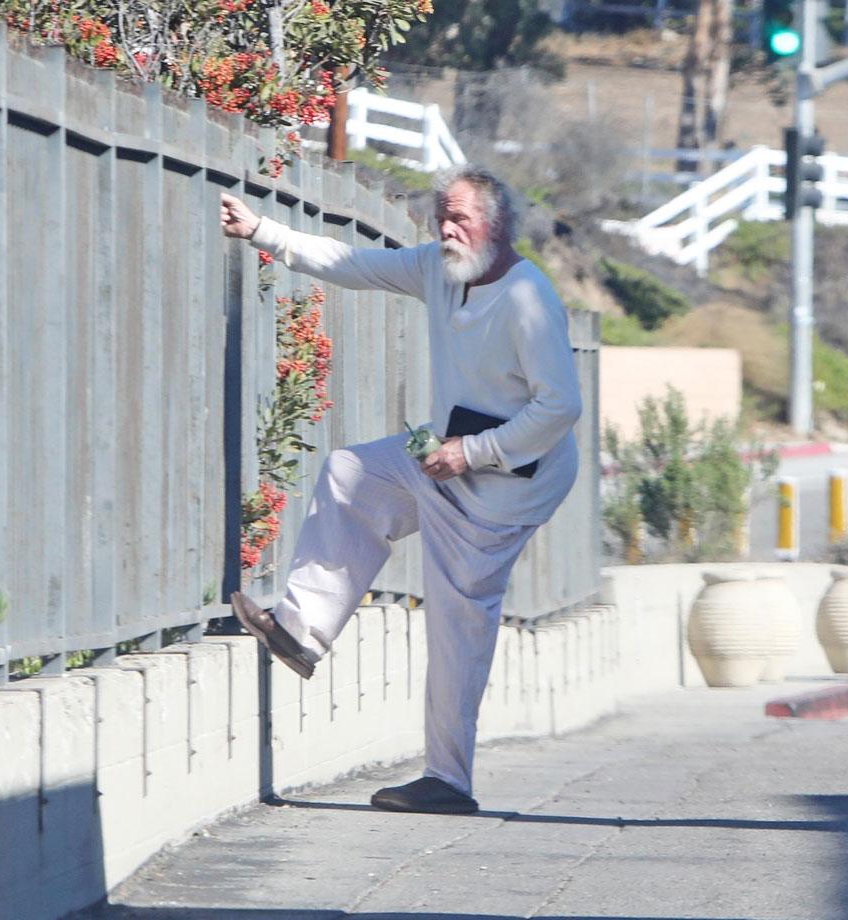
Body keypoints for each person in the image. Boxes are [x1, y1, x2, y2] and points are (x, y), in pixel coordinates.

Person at [219, 164, 582, 815]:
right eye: (441, 215)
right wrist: (262, 231)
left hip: (512, 483)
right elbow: (354, 263)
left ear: (495, 228)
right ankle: (302, 630)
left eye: (461, 219)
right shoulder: (440, 269)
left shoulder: (530, 300)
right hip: (445, 449)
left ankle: (449, 781)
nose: (446, 228)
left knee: (455, 618)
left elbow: (560, 407)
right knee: (350, 475)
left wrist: (473, 452)